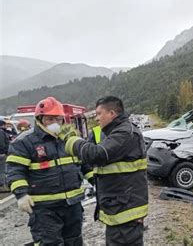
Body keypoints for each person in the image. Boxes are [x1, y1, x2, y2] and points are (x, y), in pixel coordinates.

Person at [59, 96, 148, 246]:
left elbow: (97, 154)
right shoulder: (116, 132)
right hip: (120, 208)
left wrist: (72, 141)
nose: (97, 118)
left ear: (112, 113)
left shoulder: (125, 133)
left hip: (126, 213)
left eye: (99, 113)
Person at [5, 96, 93, 245]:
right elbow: (15, 170)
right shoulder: (25, 142)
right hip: (45, 209)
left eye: (58, 119)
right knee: (49, 243)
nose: (55, 123)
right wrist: (21, 194)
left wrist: (96, 181)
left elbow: (85, 165)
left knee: (75, 241)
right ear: (39, 119)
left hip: (73, 205)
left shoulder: (69, 139)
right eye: (49, 119)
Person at [0, 120, 11, 190]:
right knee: (2, 170)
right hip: (1, 154)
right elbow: (2, 144)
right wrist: (3, 152)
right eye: (5, 125)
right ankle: (3, 186)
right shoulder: (1, 132)